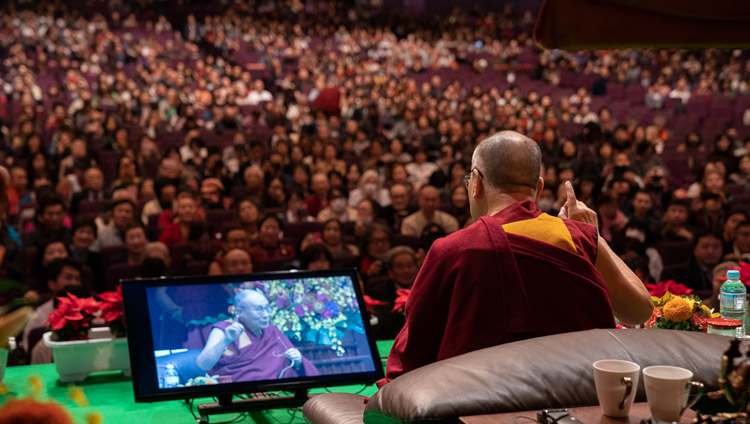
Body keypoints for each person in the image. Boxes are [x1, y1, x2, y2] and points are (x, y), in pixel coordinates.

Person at [382, 131, 653, 385]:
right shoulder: (577, 239)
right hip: (577, 400)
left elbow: (413, 353)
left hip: (475, 405)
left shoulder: (453, 249)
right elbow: (640, 310)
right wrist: (594, 236)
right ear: (538, 188)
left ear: (475, 182)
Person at [196, 290, 319, 381]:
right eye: (259, 310)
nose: (266, 315)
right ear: (239, 311)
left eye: (267, 308)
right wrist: (226, 340)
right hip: (240, 394)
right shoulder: (225, 329)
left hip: (278, 390)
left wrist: (298, 361)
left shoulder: (272, 330)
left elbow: (294, 363)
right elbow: (203, 364)